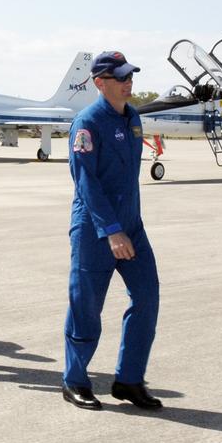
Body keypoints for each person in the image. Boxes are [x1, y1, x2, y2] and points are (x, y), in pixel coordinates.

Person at [61, 51, 161, 411]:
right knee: (86, 307)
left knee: (147, 298)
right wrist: (112, 230)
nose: (128, 82)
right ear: (100, 83)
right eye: (120, 77)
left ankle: (129, 379)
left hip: (132, 225)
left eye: (130, 75)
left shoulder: (134, 118)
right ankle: (74, 380)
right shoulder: (86, 124)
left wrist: (126, 226)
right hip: (95, 230)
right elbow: (86, 183)